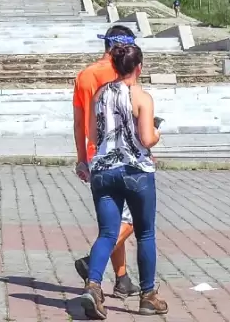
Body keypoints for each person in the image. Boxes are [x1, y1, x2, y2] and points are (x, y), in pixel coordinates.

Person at [80, 39, 167, 318]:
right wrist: (157, 134)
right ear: (138, 67)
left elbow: (92, 134)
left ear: (116, 66)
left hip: (104, 170)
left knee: (107, 232)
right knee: (145, 233)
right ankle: (148, 296)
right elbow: (146, 139)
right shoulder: (142, 97)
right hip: (135, 171)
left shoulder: (100, 94)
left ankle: (93, 287)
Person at [72, 25, 139, 298]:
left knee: (112, 222)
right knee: (134, 218)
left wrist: (81, 159)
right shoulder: (123, 73)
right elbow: (134, 116)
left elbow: (79, 123)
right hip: (124, 155)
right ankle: (93, 261)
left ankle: (122, 278)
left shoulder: (85, 75)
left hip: (95, 156)